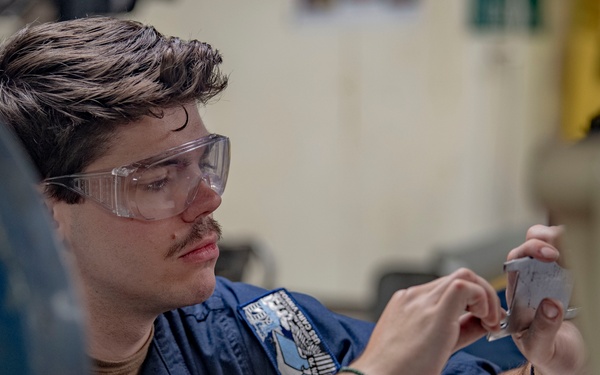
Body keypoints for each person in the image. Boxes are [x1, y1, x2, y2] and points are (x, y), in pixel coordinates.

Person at [0, 16, 586, 375]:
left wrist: (549, 365)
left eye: (205, 163)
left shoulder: (254, 329)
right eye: (157, 181)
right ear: (43, 211)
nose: (207, 200)